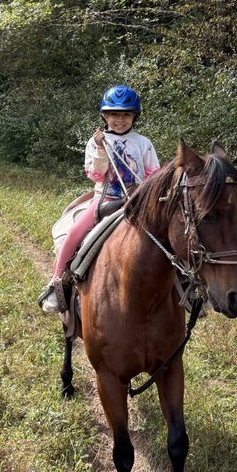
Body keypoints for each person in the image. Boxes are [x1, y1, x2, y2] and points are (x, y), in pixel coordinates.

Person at [38, 85, 160, 313]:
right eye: (114, 114)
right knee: (74, 234)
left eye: (126, 114)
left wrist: (145, 190)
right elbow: (95, 175)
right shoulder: (96, 142)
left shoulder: (143, 142)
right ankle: (56, 284)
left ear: (134, 116)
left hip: (138, 201)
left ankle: (188, 288)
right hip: (105, 199)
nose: (119, 120)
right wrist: (102, 151)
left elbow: (154, 173)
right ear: (105, 116)